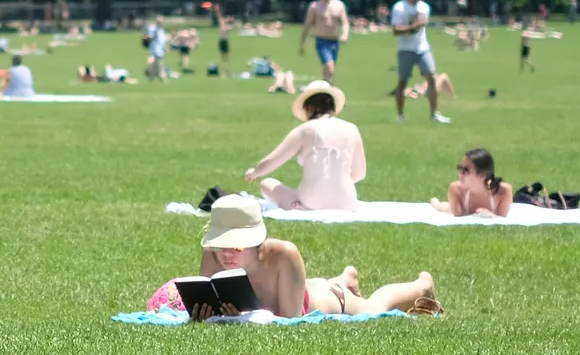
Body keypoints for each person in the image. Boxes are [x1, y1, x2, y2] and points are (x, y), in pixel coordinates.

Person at [182, 194, 439, 319]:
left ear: (256, 242)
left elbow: (290, 322)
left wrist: (241, 318)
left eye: (236, 246)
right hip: (302, 286)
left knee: (373, 307)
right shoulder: (212, 255)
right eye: (220, 245)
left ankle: (422, 285)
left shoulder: (283, 254)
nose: (226, 254)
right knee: (320, 285)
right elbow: (209, 303)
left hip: (326, 301)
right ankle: (344, 278)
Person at [244, 81, 366, 210]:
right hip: (346, 202)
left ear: (308, 107)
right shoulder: (352, 129)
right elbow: (359, 173)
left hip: (308, 203)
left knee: (267, 184)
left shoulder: (305, 130)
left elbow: (272, 161)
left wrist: (254, 173)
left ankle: (299, 207)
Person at [389, 0, 446, 123]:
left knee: (432, 79)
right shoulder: (400, 7)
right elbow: (395, 30)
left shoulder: (425, 7)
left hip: (423, 48)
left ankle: (434, 114)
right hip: (406, 50)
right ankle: (400, 115)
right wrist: (413, 26)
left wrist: (418, 26)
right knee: (403, 82)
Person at [299, 0, 349, 82]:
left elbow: (345, 22)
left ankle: (327, 90)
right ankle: (327, 88)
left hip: (335, 41)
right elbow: (307, 25)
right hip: (322, 41)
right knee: (329, 67)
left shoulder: (339, 5)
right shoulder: (314, 6)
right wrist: (302, 44)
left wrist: (345, 34)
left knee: (329, 70)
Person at [441, 147, 514, 217]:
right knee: (443, 208)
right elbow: (457, 215)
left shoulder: (503, 190)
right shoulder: (456, 189)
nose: (460, 174)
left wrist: (491, 215)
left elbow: (502, 218)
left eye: (465, 170)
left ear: (482, 175)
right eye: (459, 168)